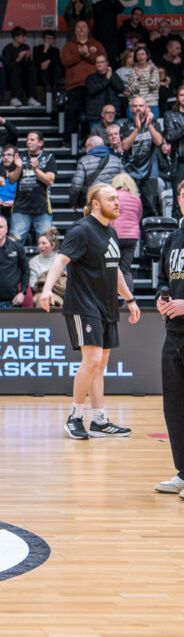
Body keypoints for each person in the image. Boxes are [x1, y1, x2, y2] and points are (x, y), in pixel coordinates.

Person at [39, 184, 140, 439]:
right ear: (96, 203)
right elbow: (60, 260)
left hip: (106, 305)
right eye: (111, 199)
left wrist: (130, 299)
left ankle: (99, 420)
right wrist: (47, 290)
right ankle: (74, 416)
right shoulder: (81, 229)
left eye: (118, 198)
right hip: (83, 304)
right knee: (92, 360)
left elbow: (115, 269)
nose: (118, 203)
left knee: (100, 364)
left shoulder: (111, 232)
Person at [155, 181, 184, 491]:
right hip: (173, 333)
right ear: (178, 199)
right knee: (174, 406)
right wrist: (161, 297)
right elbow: (164, 278)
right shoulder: (174, 238)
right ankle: (183, 471)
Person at [120, 95, 166, 217]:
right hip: (131, 172)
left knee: (150, 206)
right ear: (131, 109)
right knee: (132, 207)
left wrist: (149, 125)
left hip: (150, 173)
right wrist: (137, 129)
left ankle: (147, 235)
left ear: (146, 108)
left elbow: (159, 142)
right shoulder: (126, 126)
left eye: (141, 105)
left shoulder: (154, 124)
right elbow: (124, 146)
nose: (138, 108)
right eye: (135, 106)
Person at [61, 21, 105, 145]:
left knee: (92, 114)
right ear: (75, 31)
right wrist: (79, 54)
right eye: (78, 27)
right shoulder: (69, 46)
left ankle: (90, 140)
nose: (81, 29)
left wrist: (88, 54)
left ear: (88, 30)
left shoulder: (96, 44)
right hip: (74, 86)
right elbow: (65, 61)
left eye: (84, 27)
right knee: (72, 114)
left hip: (94, 86)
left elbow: (103, 61)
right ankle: (69, 141)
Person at [109, 173, 142, 291]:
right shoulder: (136, 198)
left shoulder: (114, 197)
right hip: (132, 237)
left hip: (115, 235)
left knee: (111, 267)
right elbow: (138, 216)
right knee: (125, 269)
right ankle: (128, 299)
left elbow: (109, 215)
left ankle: (111, 297)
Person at [29, 228, 61, 296]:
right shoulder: (33, 262)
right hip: (40, 293)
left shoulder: (60, 259)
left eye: (44, 243)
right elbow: (32, 284)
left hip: (59, 292)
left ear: (53, 245)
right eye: (39, 243)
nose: (40, 246)